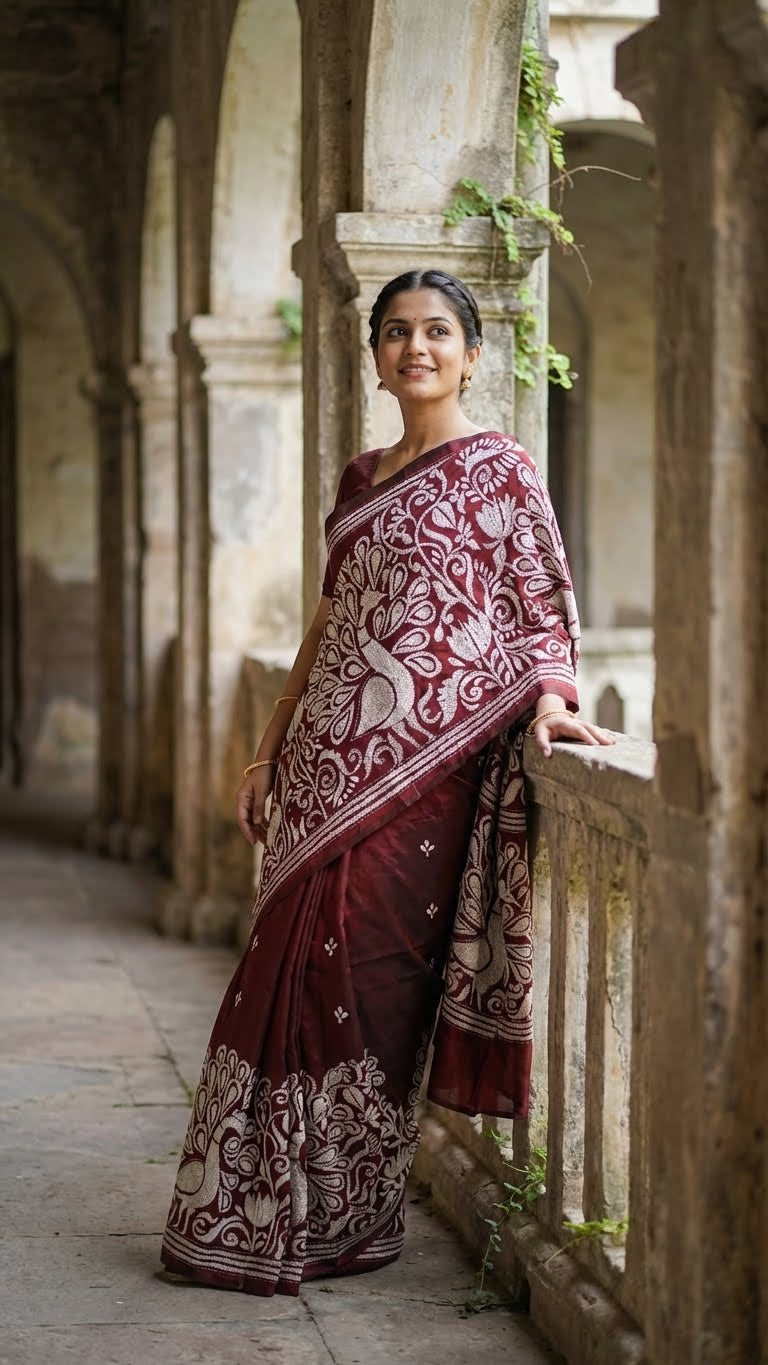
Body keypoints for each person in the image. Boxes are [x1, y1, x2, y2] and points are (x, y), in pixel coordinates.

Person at [160, 268, 615, 1297]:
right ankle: (245, 1207)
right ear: (374, 357)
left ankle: (342, 1217)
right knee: (282, 969)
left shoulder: (502, 470)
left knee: (364, 987)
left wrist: (548, 701)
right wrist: (273, 747)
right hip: (322, 772)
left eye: (439, 331)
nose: (418, 348)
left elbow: (542, 608)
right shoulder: (362, 478)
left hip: (424, 779)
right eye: (398, 332)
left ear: (473, 352)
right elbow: (330, 626)